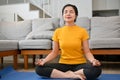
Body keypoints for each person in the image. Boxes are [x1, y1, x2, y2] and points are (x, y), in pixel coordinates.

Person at [35, 4, 102, 80]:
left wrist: (93, 61)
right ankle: (70, 75)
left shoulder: (82, 31)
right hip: (63, 64)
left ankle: (63, 75)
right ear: (63, 15)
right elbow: (54, 52)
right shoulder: (58, 32)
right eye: (65, 12)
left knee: (96, 70)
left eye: (71, 12)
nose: (68, 14)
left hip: (80, 65)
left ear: (76, 15)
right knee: (39, 68)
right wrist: (44, 61)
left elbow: (87, 52)